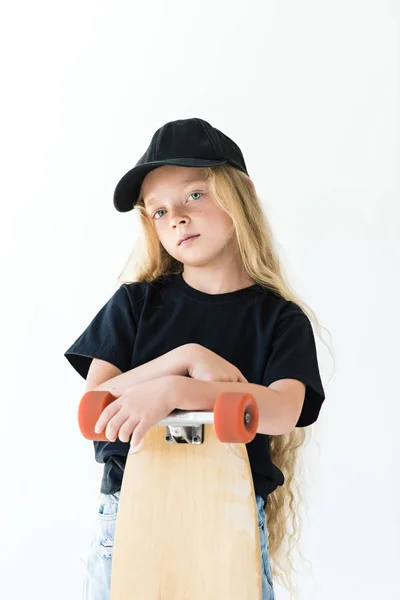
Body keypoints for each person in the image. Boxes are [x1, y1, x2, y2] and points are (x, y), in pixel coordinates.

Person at [64, 117, 330, 600]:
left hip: (227, 524)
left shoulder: (280, 320)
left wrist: (181, 391)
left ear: (241, 193)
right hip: (129, 521)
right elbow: (96, 409)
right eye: (160, 211)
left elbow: (282, 409)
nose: (178, 218)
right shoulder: (134, 306)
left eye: (194, 195)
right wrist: (184, 358)